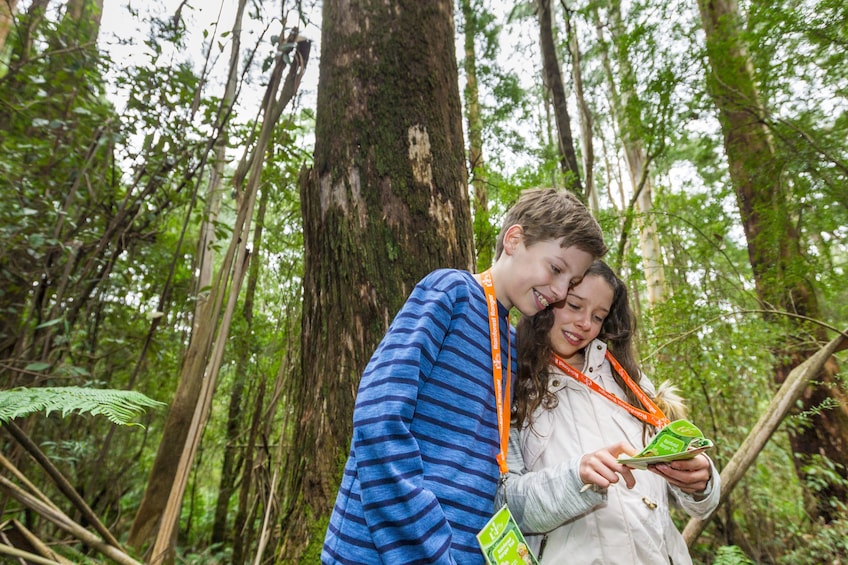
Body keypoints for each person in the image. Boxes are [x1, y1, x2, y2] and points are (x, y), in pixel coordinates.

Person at [321, 188, 608, 564]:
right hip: (380, 551)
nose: (557, 292)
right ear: (514, 240)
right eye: (555, 269)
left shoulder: (510, 343)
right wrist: (428, 546)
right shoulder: (450, 292)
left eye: (569, 282)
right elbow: (380, 419)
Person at [498, 261, 720, 564]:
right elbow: (505, 502)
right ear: (549, 298)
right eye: (575, 305)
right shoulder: (511, 384)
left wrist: (701, 483)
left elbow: (693, 504)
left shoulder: (630, 381)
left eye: (598, 316)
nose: (585, 323)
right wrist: (575, 479)